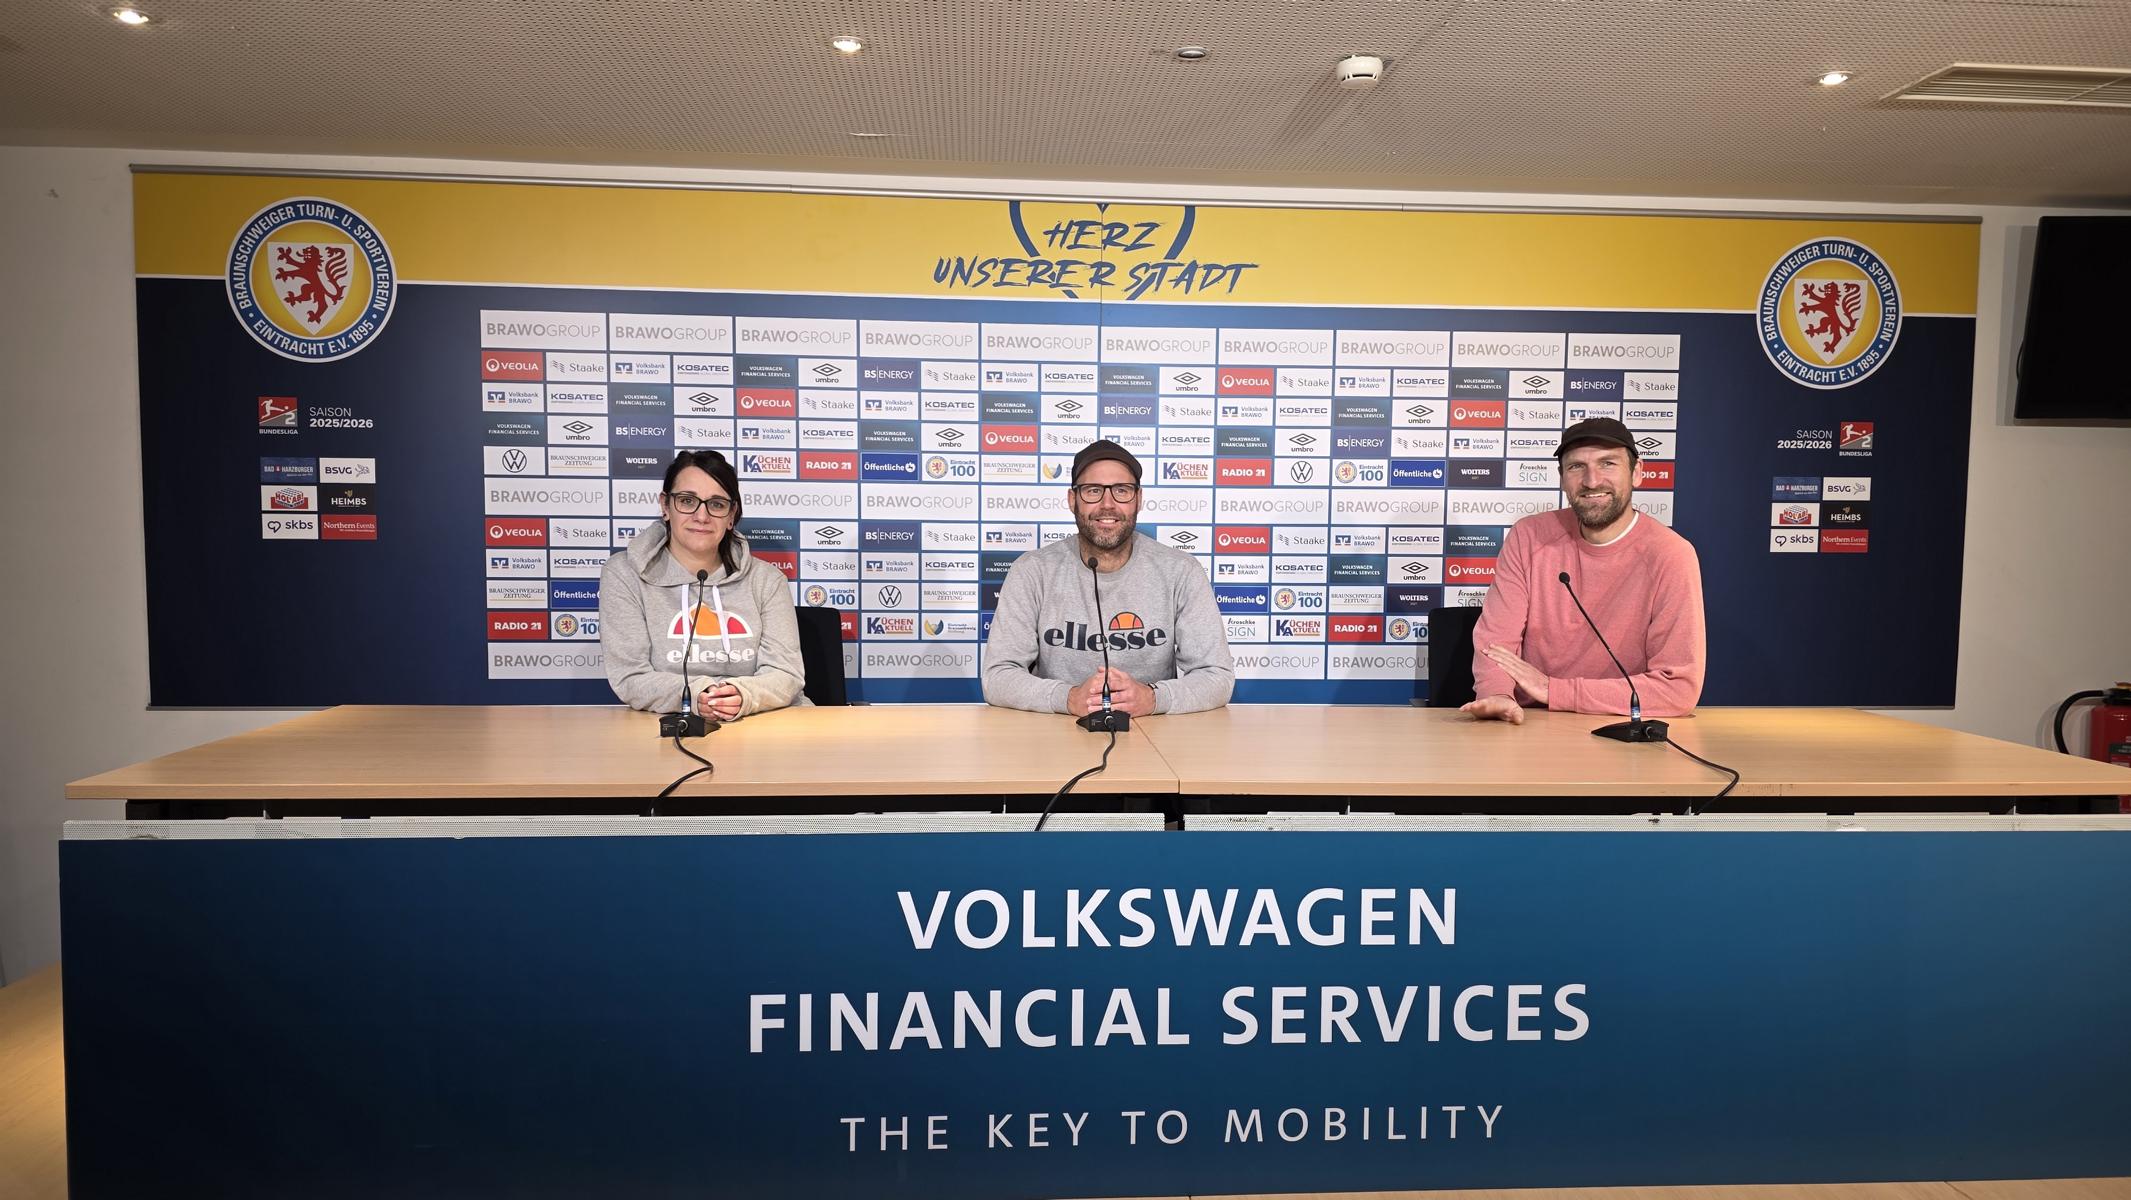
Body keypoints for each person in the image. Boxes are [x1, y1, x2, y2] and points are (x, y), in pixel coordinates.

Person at [1462, 417, 1705, 723]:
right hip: (1529, 722)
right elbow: (1497, 643)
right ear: (1562, 478)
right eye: (1577, 467)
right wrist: (1498, 694)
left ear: (1637, 473)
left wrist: (1555, 690)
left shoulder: (1671, 554)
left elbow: (1677, 690)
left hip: (1619, 726)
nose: (1591, 481)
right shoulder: (1528, 536)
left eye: (1607, 464)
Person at [983, 439, 1234, 718]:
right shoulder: (1032, 571)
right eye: (1093, 490)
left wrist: (1152, 698)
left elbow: (1217, 676)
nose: (1107, 504)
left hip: (1152, 732)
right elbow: (998, 677)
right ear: (1072, 500)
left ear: (1139, 499)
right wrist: (1068, 698)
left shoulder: (1181, 570)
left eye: (1121, 490)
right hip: (1056, 732)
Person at [601, 449, 807, 721]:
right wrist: (694, 695)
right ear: (665, 506)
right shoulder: (624, 574)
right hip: (674, 721)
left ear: (731, 515)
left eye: (717, 504)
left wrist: (741, 695)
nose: (702, 516)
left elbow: (786, 673)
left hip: (763, 720)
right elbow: (631, 677)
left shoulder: (767, 579)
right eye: (687, 501)